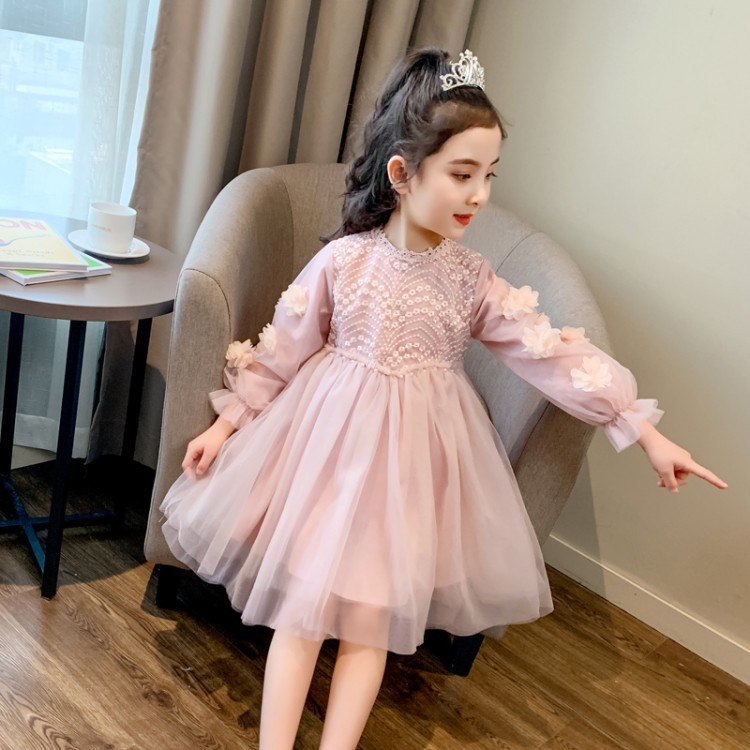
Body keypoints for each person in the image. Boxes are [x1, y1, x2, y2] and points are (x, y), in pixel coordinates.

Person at [160, 48, 727, 749]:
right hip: (326, 455)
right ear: (402, 174)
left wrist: (641, 428)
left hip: (411, 471)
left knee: (369, 625)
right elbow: (284, 347)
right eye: (462, 174)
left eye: (489, 175)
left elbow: (549, 351)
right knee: (301, 614)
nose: (479, 195)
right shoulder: (345, 260)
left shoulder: (471, 279)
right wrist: (228, 424)